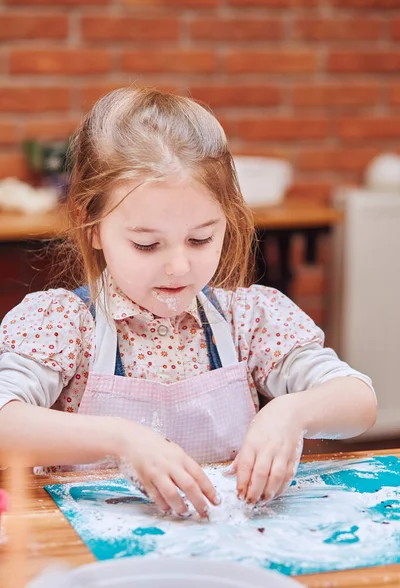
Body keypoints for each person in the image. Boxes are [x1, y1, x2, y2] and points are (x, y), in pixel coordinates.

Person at [0, 87, 376, 518]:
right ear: (93, 227)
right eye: (147, 244)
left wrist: (293, 412)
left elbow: (359, 403)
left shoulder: (247, 318)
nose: (178, 266)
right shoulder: (64, 324)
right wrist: (122, 439)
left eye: (200, 239)